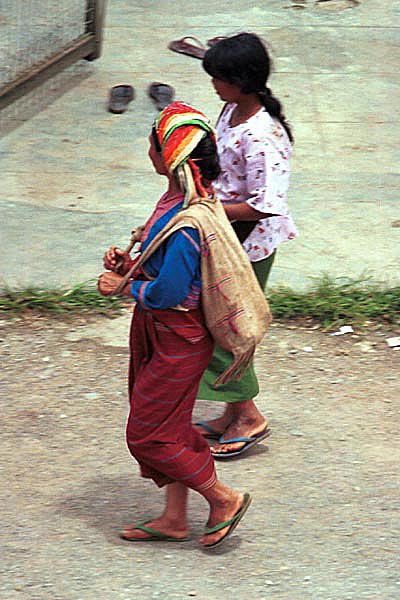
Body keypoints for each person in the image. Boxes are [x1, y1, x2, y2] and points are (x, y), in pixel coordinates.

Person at [98, 101, 252, 548]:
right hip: (164, 334)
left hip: (176, 340)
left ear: (171, 158)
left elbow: (168, 294)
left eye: (153, 143)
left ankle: (222, 497)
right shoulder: (180, 200)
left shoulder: (186, 223)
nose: (148, 150)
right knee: (174, 426)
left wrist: (123, 288)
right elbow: (166, 271)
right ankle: (174, 518)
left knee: (147, 434)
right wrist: (131, 265)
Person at [195, 32, 298, 458]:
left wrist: (210, 209)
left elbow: (266, 205)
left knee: (228, 329)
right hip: (226, 239)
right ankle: (232, 413)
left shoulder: (262, 136)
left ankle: (249, 416)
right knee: (221, 325)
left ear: (241, 80)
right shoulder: (232, 109)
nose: (214, 85)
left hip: (247, 246)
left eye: (219, 78)